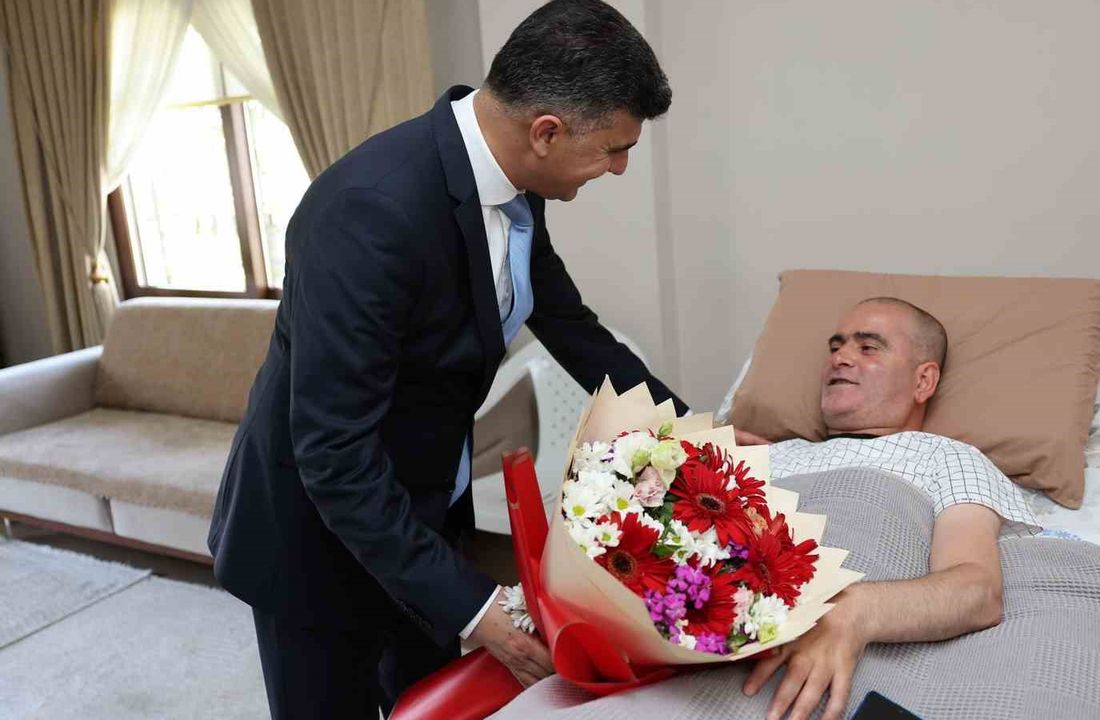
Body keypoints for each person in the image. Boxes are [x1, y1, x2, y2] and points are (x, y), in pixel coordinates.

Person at [205, 1, 687, 717]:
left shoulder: (516, 183)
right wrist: (477, 609)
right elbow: (334, 456)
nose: (618, 168)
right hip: (315, 541)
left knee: (429, 703)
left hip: (424, 510)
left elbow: (573, 330)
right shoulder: (368, 212)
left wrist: (693, 434)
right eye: (614, 149)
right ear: (546, 132)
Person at [737, 297, 1038, 720]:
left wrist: (853, 610)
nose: (840, 358)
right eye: (836, 347)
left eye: (867, 347)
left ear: (923, 381)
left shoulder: (946, 457)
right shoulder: (771, 456)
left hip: (843, 640)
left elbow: (977, 592)